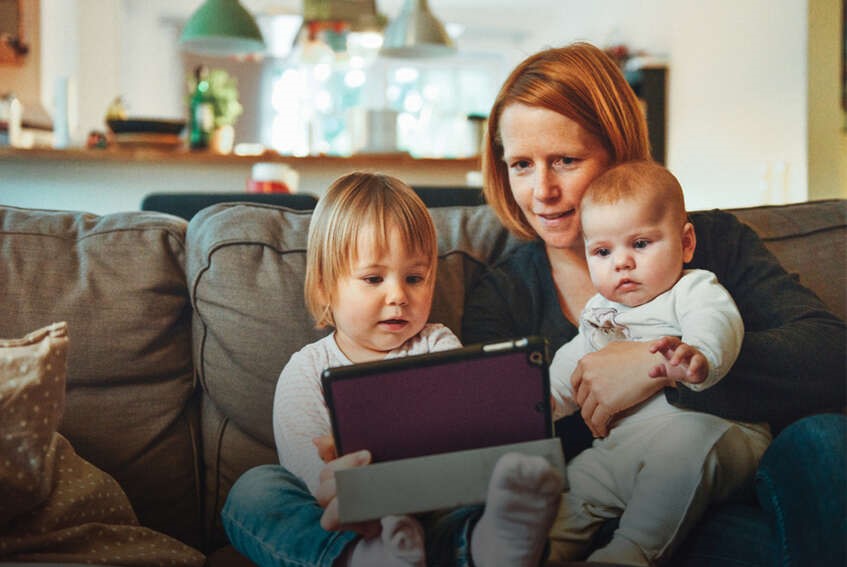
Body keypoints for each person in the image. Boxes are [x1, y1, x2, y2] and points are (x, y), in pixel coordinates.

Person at [461, 42, 845, 563]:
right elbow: (501, 440)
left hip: (739, 484)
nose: (542, 191)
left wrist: (657, 365)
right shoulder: (503, 295)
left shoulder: (710, 243)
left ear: (618, 151)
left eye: (565, 161)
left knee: (826, 439)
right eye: (522, 165)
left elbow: (830, 356)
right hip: (610, 508)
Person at [222, 171, 564, 567]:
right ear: (324, 288)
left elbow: (465, 436)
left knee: (482, 495)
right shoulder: (306, 370)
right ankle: (363, 558)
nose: (399, 296)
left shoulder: (437, 344)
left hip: (434, 506)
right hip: (350, 518)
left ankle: (492, 546)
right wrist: (357, 493)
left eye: (415, 278)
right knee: (254, 491)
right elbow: (309, 474)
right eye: (373, 278)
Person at [546, 160, 771, 565]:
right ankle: (540, 551)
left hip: (714, 437)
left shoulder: (691, 288)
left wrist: (699, 354)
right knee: (575, 482)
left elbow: (717, 320)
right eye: (602, 251)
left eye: (641, 244)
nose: (622, 263)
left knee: (680, 452)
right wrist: (541, 402)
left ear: (685, 243)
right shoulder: (600, 312)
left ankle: (628, 553)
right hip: (623, 449)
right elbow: (572, 366)